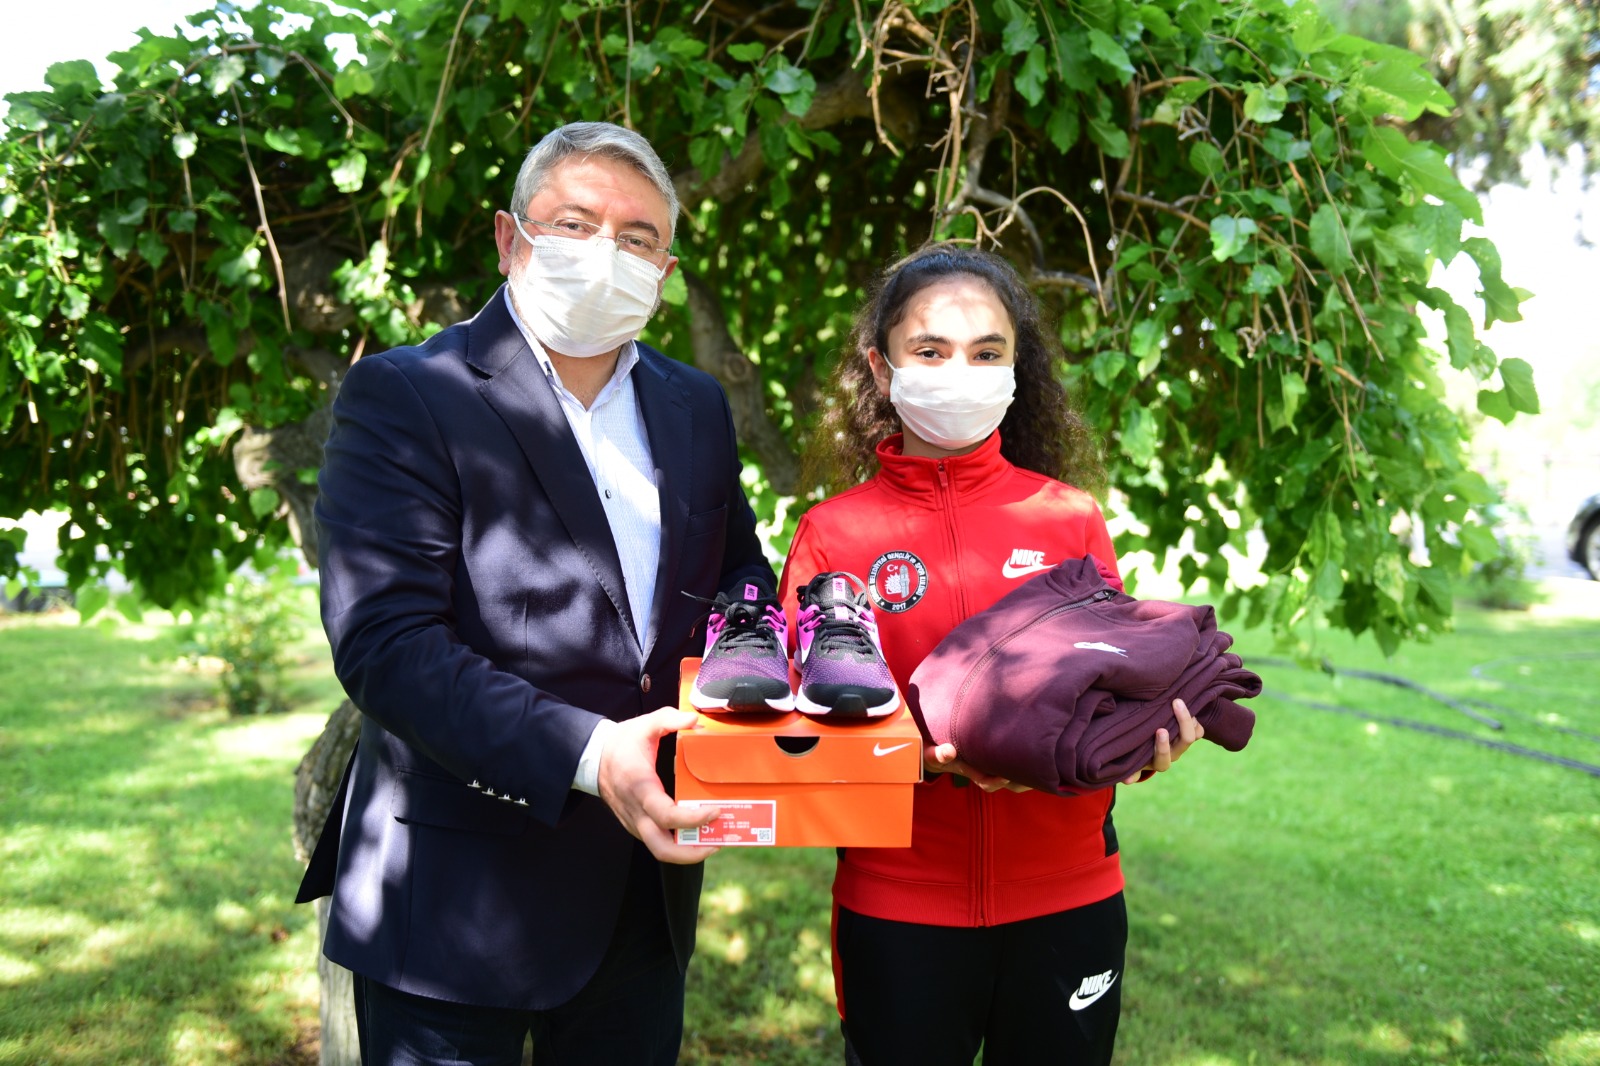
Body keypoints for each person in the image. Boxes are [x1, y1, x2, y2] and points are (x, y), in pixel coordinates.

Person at [296, 120, 772, 1065]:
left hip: (641, 899)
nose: (605, 253)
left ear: (665, 271)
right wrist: (591, 755)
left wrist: (766, 666)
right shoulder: (408, 393)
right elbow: (387, 644)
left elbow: (736, 575)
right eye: (574, 224)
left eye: (637, 238)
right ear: (510, 238)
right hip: (451, 899)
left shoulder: (696, 406)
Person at [778, 244, 1204, 1066]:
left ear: (1016, 369)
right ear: (882, 367)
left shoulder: (1068, 518)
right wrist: (915, 759)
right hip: (898, 906)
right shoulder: (834, 534)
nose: (959, 373)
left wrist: (1138, 745)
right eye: (930, 350)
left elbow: (1111, 686)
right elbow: (799, 741)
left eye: (986, 353)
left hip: (1071, 899)